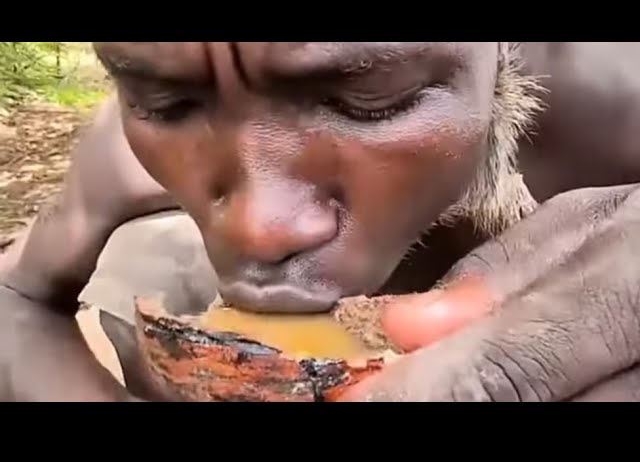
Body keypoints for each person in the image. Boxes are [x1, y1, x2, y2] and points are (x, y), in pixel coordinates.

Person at [2, 42, 640, 402]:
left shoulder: (617, 105)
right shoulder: (123, 144)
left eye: (370, 100)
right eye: (165, 103)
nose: (258, 230)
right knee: (141, 262)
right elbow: (14, 298)